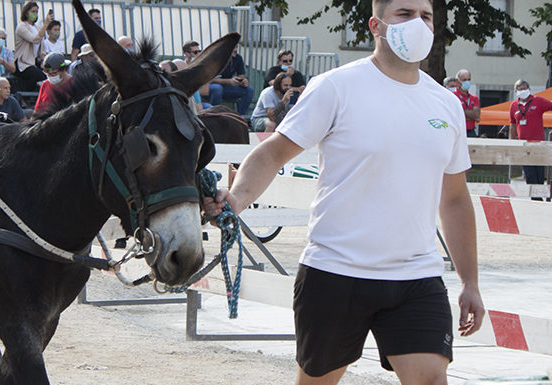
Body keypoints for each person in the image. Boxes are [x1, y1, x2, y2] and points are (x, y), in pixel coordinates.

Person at [202, 2, 484, 384]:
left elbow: (454, 200)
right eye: (404, 14)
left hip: (416, 277)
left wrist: (470, 282)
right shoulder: (337, 87)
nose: (418, 23)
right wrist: (235, 200)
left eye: (426, 15)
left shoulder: (446, 105)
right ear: (376, 25)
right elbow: (272, 153)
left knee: (432, 380)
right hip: (335, 273)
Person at [509, 79, 552, 186]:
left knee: (539, 175)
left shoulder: (538, 101)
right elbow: (512, 125)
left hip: (539, 145)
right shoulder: (513, 106)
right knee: (530, 175)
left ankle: (539, 198)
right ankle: (535, 199)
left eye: (525, 88)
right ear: (516, 91)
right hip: (524, 146)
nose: (523, 91)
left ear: (529, 89)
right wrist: (512, 143)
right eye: (520, 89)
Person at [13, 1, 54, 93]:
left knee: (50, 74)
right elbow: (34, 39)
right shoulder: (22, 27)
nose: (35, 14)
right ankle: (22, 94)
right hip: (23, 63)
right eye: (33, 11)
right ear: (26, 12)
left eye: (36, 12)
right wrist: (46, 24)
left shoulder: (38, 28)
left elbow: (41, 47)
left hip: (35, 61)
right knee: (38, 75)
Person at [208, 48, 255, 116]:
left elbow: (241, 76)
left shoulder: (238, 58)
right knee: (217, 88)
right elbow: (208, 80)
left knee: (249, 90)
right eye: (233, 47)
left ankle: (239, 117)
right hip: (210, 89)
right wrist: (228, 81)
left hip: (227, 88)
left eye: (236, 46)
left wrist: (243, 82)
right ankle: (214, 116)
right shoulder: (215, 58)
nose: (236, 49)